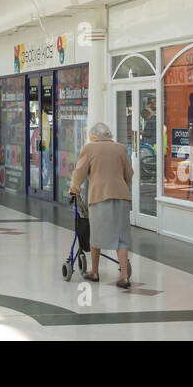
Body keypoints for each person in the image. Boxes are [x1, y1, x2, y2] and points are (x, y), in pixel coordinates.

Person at [68, 122, 134, 288]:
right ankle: (124, 276)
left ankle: (95, 272)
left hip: (99, 197)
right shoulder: (120, 148)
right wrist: (119, 185)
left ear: (93, 136)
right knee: (121, 237)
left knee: (96, 234)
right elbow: (129, 173)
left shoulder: (89, 149)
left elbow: (79, 172)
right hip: (121, 196)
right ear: (109, 135)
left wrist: (74, 189)